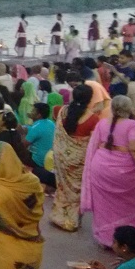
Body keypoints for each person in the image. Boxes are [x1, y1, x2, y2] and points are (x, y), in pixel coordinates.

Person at [82, 96, 135, 248]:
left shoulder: (102, 123)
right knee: (131, 203)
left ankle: (106, 238)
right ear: (128, 109)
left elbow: (95, 144)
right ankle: (127, 239)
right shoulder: (132, 125)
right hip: (124, 171)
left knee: (103, 204)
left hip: (100, 167)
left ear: (112, 108)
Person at [50, 85, 99, 231]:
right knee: (76, 190)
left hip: (61, 156)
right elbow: (93, 142)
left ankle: (58, 217)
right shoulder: (93, 118)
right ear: (90, 99)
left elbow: (56, 121)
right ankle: (71, 221)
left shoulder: (60, 111)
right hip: (79, 160)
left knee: (62, 187)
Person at [24, 102, 54, 168]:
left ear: (39, 115)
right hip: (49, 160)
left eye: (33, 110)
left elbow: (24, 145)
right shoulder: (51, 123)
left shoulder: (36, 127)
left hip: (37, 162)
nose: (31, 111)